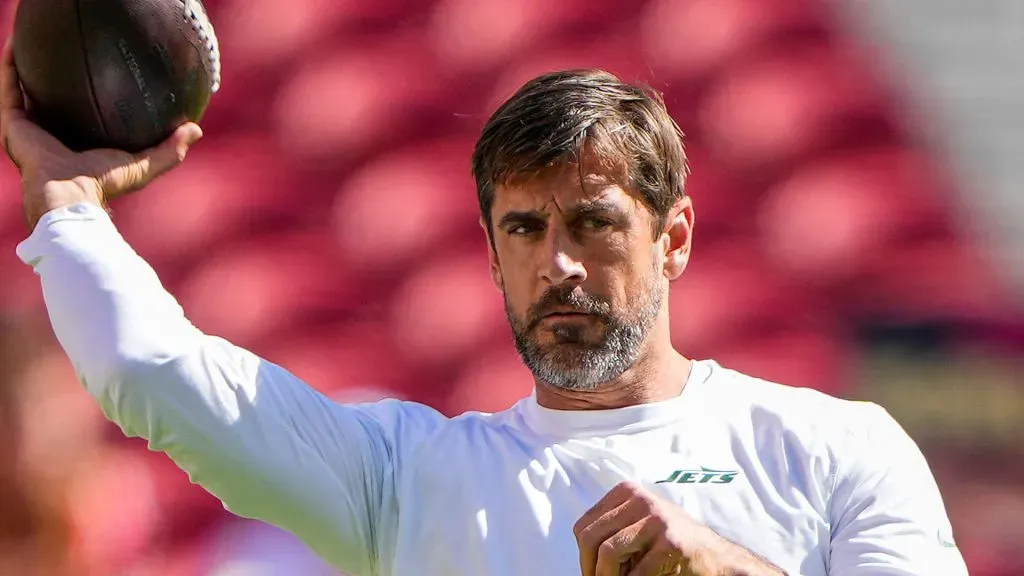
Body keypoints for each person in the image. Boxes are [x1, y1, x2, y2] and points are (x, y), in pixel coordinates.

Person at [1, 37, 967, 576]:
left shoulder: (836, 447)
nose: (559, 265)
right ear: (492, 256)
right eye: (523, 229)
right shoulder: (406, 482)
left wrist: (727, 571)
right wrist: (68, 209)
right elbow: (150, 371)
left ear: (674, 238)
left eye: (594, 224)